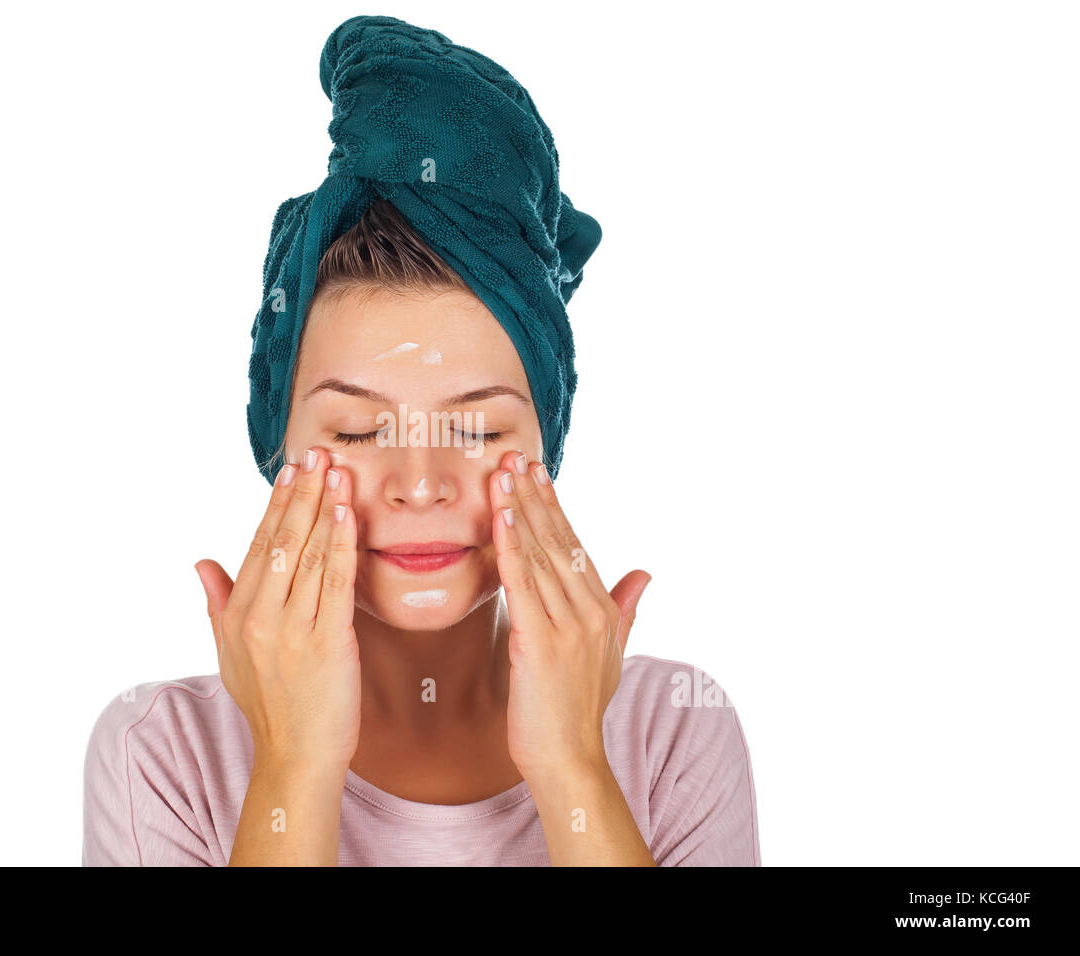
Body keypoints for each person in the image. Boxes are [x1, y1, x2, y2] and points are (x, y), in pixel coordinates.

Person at [82, 15, 759, 866]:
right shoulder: (164, 754)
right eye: (360, 428)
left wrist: (572, 763)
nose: (421, 483)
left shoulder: (674, 733)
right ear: (277, 446)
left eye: (475, 426)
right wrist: (294, 767)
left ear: (547, 444)